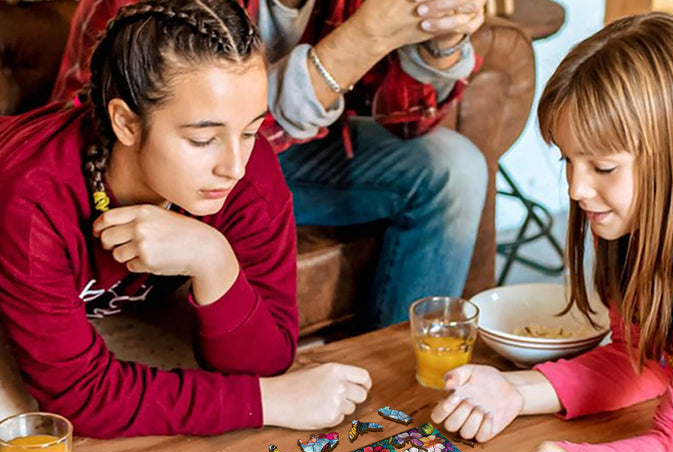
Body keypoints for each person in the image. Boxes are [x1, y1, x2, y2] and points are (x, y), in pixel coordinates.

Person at [0, 0, 371, 438]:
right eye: (203, 139)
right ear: (126, 123)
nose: (234, 165)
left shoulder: (247, 170)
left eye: (250, 130)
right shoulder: (32, 200)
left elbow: (268, 358)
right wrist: (270, 400)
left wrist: (214, 260)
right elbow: (82, 398)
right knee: (22, 433)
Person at [431, 12, 673, 452]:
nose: (574, 188)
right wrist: (515, 391)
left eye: (602, 167)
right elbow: (643, 358)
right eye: (568, 160)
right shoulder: (642, 230)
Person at [51, 0, 489, 328]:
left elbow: (411, 124)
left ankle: (403, 382)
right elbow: (105, 136)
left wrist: (440, 41)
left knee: (454, 167)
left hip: (287, 148)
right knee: (226, 149)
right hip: (151, 164)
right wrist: (362, 39)